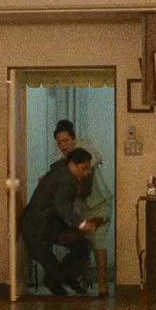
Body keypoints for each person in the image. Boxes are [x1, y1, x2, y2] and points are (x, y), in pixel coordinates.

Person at [21, 148, 101, 296]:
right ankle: (61, 279)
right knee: (73, 250)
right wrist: (82, 224)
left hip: (45, 222)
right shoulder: (67, 180)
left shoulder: (62, 171)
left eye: (88, 168)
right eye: (84, 168)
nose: (87, 172)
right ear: (72, 165)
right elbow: (62, 207)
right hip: (37, 227)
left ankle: (61, 278)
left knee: (80, 245)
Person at [53, 119, 113, 295]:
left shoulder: (84, 147)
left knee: (98, 242)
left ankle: (103, 286)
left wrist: (76, 166)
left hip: (100, 204)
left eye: (66, 140)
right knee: (83, 243)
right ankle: (84, 282)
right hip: (80, 209)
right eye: (59, 143)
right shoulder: (59, 160)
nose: (63, 145)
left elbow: (96, 158)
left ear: (74, 139)